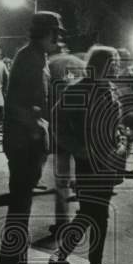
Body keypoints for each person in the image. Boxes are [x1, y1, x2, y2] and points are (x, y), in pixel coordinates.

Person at [0, 11, 64, 264]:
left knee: (21, 205)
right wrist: (40, 128)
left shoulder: (36, 57)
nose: (59, 39)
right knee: (20, 206)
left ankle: (14, 263)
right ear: (47, 33)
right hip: (25, 143)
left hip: (27, 141)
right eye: (56, 33)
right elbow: (21, 105)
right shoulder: (31, 59)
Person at [50, 46, 125, 264]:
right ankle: (90, 261)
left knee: (95, 212)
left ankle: (79, 257)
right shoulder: (79, 90)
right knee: (95, 212)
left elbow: (117, 125)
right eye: (112, 61)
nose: (116, 65)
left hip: (109, 162)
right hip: (89, 162)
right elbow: (56, 121)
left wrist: (121, 140)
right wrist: (77, 148)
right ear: (100, 64)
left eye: (117, 62)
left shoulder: (111, 89)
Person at [47, 44, 86, 235]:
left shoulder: (50, 64)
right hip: (79, 125)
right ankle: (83, 210)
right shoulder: (80, 64)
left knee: (61, 177)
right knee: (81, 169)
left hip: (60, 124)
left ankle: (62, 221)